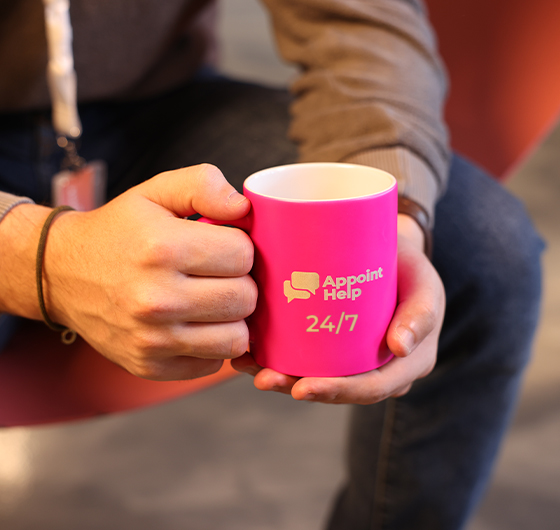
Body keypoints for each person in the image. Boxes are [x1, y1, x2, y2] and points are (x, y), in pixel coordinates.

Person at [0, 1, 543, 529]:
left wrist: (391, 221)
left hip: (159, 104)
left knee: (485, 248)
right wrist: (37, 259)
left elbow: (358, 21)